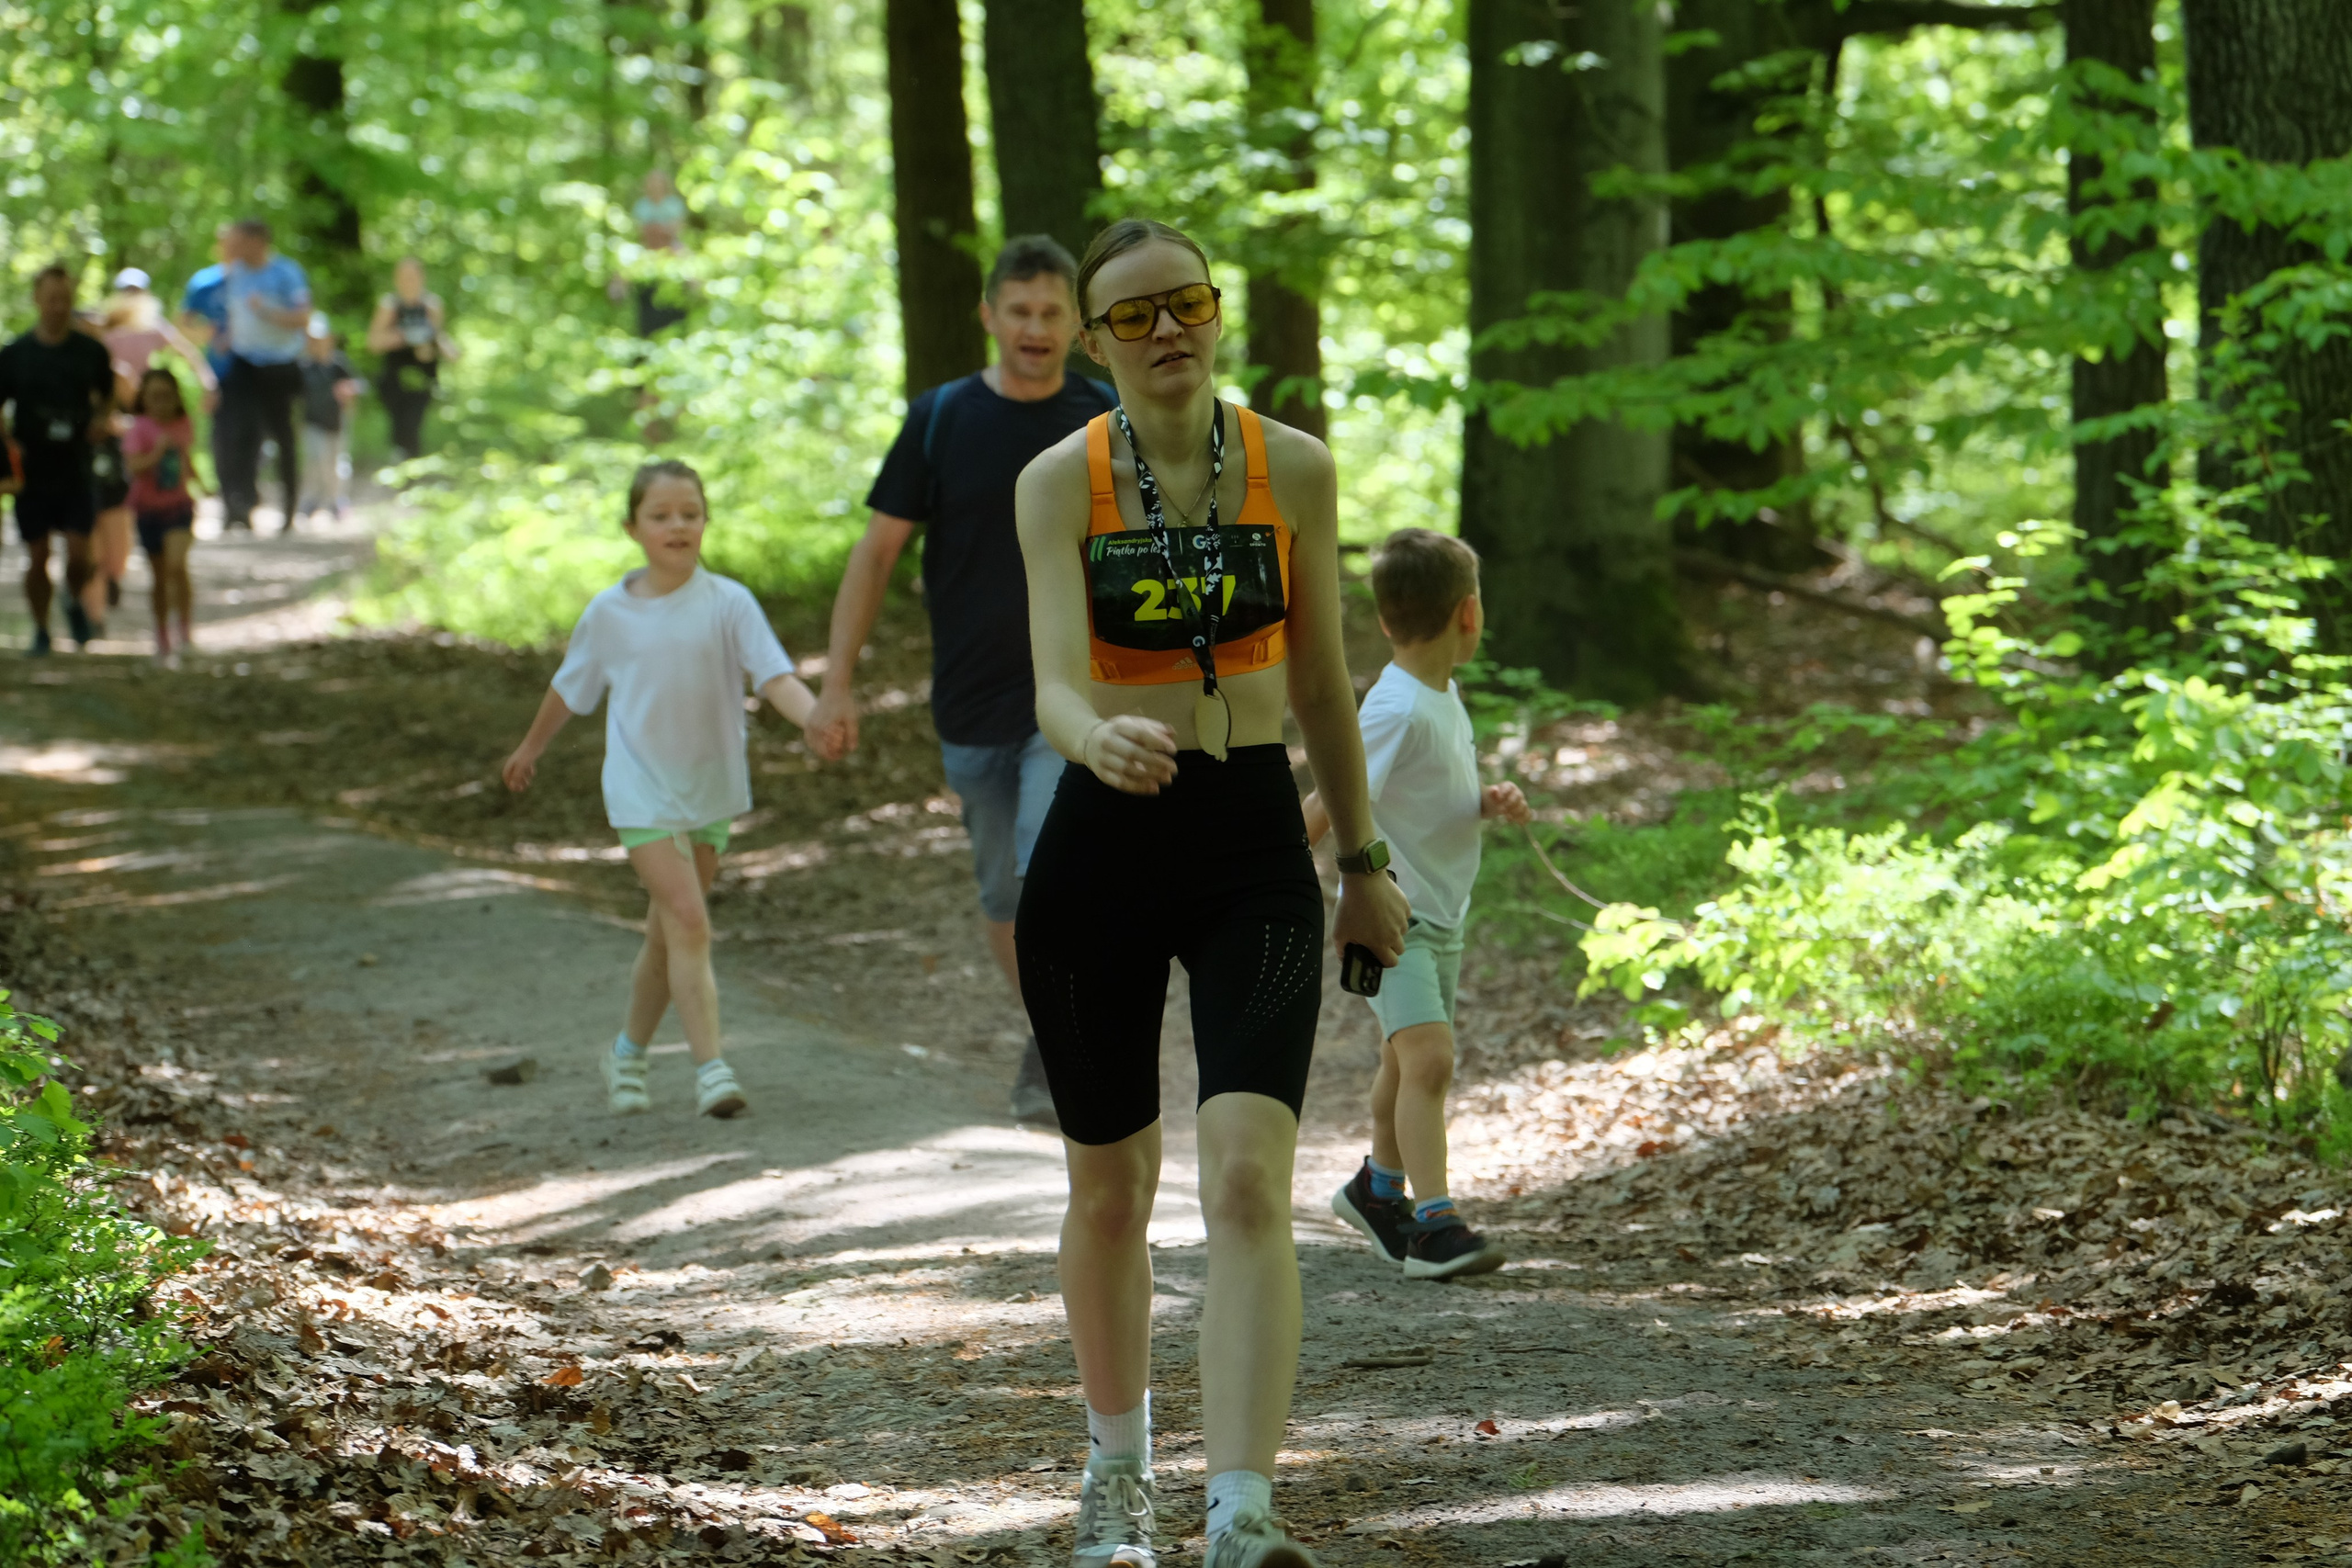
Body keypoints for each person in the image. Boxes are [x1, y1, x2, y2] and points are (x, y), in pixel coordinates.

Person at [1011, 219, 1408, 1568]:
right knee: (1112, 1185)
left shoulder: (1292, 466)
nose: (1167, 329)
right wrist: (1090, 735)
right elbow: (1055, 675)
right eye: (1134, 315)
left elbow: (1321, 686)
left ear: (1217, 315)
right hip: (1100, 844)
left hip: (1249, 843)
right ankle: (1115, 1476)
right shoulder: (1055, 482)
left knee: (1247, 1176)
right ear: (1091, 338)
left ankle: (1243, 1511)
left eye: (1187, 303)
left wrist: (1363, 864)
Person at [809, 236, 1119, 1127]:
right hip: (970, 704)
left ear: (1076, 325)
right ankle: (1052, 1025)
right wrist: (837, 686)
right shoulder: (940, 419)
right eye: (1018, 311)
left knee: (1046, 862)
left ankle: (1058, 1049)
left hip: (1074, 693)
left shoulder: (1105, 420)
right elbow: (874, 558)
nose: (1034, 328)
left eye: (1052, 312)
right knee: (1003, 894)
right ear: (988, 316)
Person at [502, 459, 820, 1122]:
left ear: (705, 520)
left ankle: (625, 1052)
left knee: (666, 935)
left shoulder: (729, 602)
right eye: (661, 515)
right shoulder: (610, 613)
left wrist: (816, 719)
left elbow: (775, 677)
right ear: (633, 527)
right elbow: (570, 687)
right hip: (639, 788)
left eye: (690, 513)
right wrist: (531, 747)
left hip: (710, 788)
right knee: (690, 920)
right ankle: (712, 1069)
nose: (678, 525)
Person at [1305, 528, 1529, 1280]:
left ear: (1387, 616)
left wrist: (1485, 800)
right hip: (1392, 919)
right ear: (1470, 613)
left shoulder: (1439, 695)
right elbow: (1335, 793)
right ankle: (1434, 1224)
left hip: (1444, 913)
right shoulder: (1395, 706)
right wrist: (1262, 867)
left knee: (1404, 1065)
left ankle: (1376, 1188)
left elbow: (1423, 789)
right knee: (1430, 1058)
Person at [0, 265, 118, 655]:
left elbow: (108, 397)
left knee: (80, 554)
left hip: (77, 466)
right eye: (51, 298)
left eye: (64, 299)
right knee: (38, 556)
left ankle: (74, 600)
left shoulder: (91, 352)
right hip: (32, 470)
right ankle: (40, 628)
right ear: (37, 299)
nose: (58, 307)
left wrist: (101, 421)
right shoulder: (15, 355)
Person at [91, 269, 217, 632]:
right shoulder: (106, 328)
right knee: (115, 501)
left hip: (152, 414)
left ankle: (117, 572)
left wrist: (208, 383)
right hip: (115, 424)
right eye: (125, 289)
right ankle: (106, 579)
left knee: (137, 502)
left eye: (137, 290)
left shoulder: (155, 328)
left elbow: (188, 352)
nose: (131, 295)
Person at [215, 219, 312, 533]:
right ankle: (239, 508)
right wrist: (228, 336)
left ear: (258, 241)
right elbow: (236, 313)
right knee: (239, 432)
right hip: (244, 363)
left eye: (240, 241)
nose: (234, 248)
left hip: (280, 365)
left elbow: (303, 317)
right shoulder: (236, 273)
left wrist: (266, 311)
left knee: (282, 435)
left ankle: (289, 510)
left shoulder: (286, 273)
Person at [123, 367, 200, 665]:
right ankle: (162, 635)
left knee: (176, 566)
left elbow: (186, 460)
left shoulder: (184, 424)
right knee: (158, 577)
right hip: (147, 511)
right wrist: (156, 453)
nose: (161, 403)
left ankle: (185, 631)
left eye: (167, 396)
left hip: (179, 508)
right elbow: (133, 467)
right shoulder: (138, 429)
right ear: (144, 399)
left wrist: (199, 481)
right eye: (154, 397)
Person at [366, 256, 458, 460]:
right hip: (395, 377)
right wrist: (403, 337)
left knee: (414, 423)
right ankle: (401, 466)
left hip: (422, 378)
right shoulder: (389, 305)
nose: (409, 281)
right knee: (399, 425)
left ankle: (411, 471)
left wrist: (437, 347)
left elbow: (438, 337)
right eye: (403, 276)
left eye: (412, 276)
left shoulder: (432, 305)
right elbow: (373, 342)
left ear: (422, 277)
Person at [297, 315, 363, 521]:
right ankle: (311, 501)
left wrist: (348, 391)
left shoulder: (338, 364)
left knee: (336, 462)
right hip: (312, 421)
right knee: (314, 460)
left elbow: (358, 383)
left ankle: (336, 501)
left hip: (337, 422)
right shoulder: (304, 366)